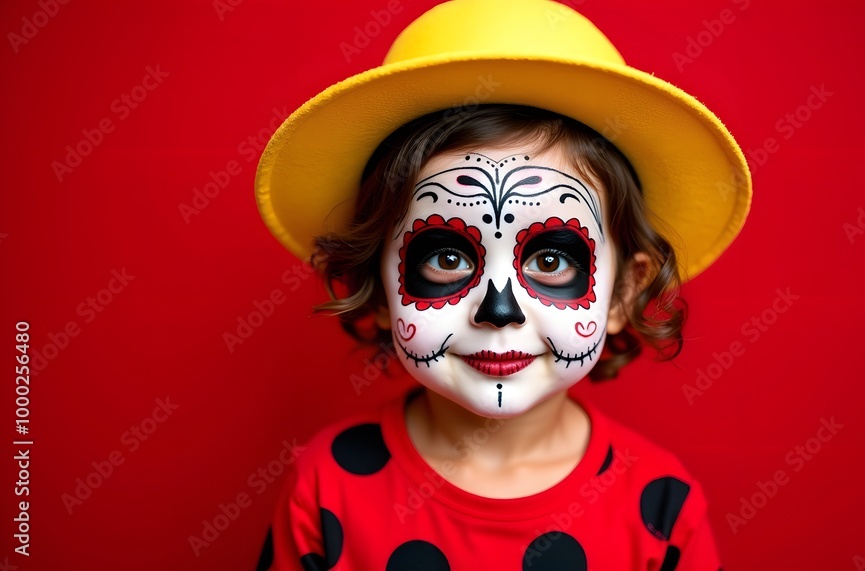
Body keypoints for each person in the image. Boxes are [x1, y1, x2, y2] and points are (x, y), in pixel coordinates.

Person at [253, 1, 751, 569]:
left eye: (550, 259)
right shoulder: (326, 486)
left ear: (622, 293)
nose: (499, 310)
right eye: (445, 255)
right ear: (380, 284)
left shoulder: (662, 507)